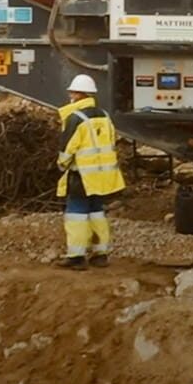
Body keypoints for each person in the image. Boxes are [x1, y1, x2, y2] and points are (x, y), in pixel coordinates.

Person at [55, 73, 124, 268]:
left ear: (77, 94)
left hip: (81, 176)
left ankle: (76, 257)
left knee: (76, 214)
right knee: (96, 213)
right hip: (103, 177)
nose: (70, 95)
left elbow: (67, 149)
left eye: (72, 92)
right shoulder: (105, 116)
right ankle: (100, 254)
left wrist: (61, 166)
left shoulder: (75, 118)